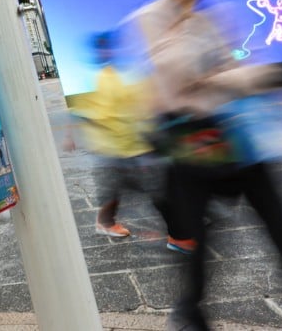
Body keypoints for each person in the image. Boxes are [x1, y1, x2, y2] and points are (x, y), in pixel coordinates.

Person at [131, 0, 282, 331]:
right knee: (197, 244)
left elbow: (260, 71)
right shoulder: (151, 18)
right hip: (192, 145)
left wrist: (216, 78)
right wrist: (210, 65)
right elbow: (176, 74)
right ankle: (190, 313)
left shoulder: (216, 16)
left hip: (242, 141)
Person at [63, 30, 194, 252]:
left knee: (123, 188)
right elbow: (79, 111)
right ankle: (178, 236)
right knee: (156, 189)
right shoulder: (95, 78)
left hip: (132, 144)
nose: (107, 52)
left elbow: (141, 102)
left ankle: (106, 222)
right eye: (103, 48)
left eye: (109, 47)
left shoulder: (119, 73)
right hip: (114, 146)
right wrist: (71, 135)